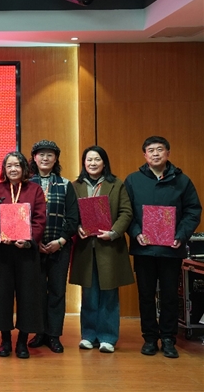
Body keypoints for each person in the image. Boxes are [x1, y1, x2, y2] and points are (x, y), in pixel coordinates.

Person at [124, 136, 201, 358]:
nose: (155, 154)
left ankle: (168, 338)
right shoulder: (133, 180)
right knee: (146, 295)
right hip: (144, 248)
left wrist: (181, 235)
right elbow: (126, 211)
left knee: (169, 295)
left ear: (168, 153)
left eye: (160, 149)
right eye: (151, 150)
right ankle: (149, 338)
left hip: (171, 248)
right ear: (144, 155)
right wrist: (136, 232)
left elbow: (193, 210)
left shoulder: (182, 181)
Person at [70, 146, 135, 353]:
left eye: (97, 159)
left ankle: (108, 337)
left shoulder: (116, 184)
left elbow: (126, 212)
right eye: (89, 159)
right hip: (86, 248)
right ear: (84, 163)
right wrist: (77, 228)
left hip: (109, 247)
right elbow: (70, 213)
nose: (93, 163)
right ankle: (88, 335)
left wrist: (114, 232)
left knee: (109, 293)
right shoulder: (75, 186)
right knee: (89, 294)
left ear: (104, 162)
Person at [0, 152, 46, 359]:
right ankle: (5, 341)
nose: (13, 169)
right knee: (2, 296)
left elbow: (40, 219)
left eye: (17, 165)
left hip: (27, 252)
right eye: (9, 166)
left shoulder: (35, 189)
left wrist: (29, 240)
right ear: (4, 170)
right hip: (3, 252)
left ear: (24, 168)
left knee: (28, 296)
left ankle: (22, 341)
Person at [27, 140, 78, 353]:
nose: (45, 158)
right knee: (37, 291)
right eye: (41, 154)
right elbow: (21, 216)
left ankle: (54, 335)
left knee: (57, 291)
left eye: (50, 155)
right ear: (34, 158)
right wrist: (34, 241)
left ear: (56, 159)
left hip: (60, 247)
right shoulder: (26, 183)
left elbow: (73, 217)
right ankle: (39, 332)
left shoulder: (66, 184)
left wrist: (61, 241)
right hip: (33, 248)